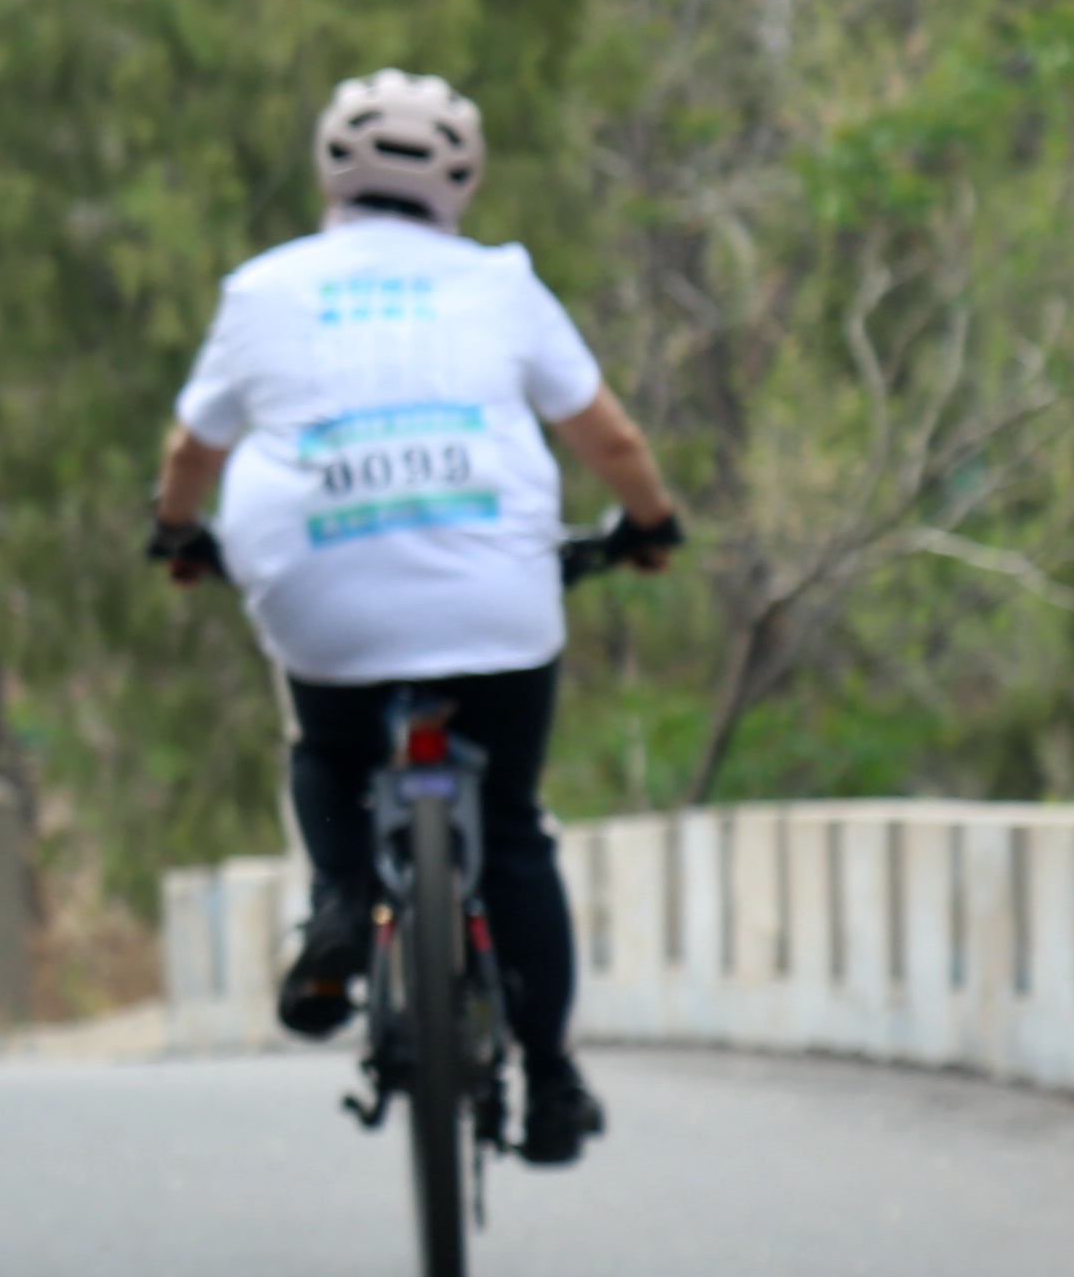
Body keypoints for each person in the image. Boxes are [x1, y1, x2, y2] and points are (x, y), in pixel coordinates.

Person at [146, 71, 681, 1168]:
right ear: (462, 177)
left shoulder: (264, 289)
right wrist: (650, 525)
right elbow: (611, 442)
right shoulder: (501, 284)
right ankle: (552, 1077)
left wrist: (175, 535)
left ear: (329, 172)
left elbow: (191, 452)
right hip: (496, 593)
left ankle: (343, 900)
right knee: (518, 829)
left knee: (329, 749)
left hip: (321, 590)